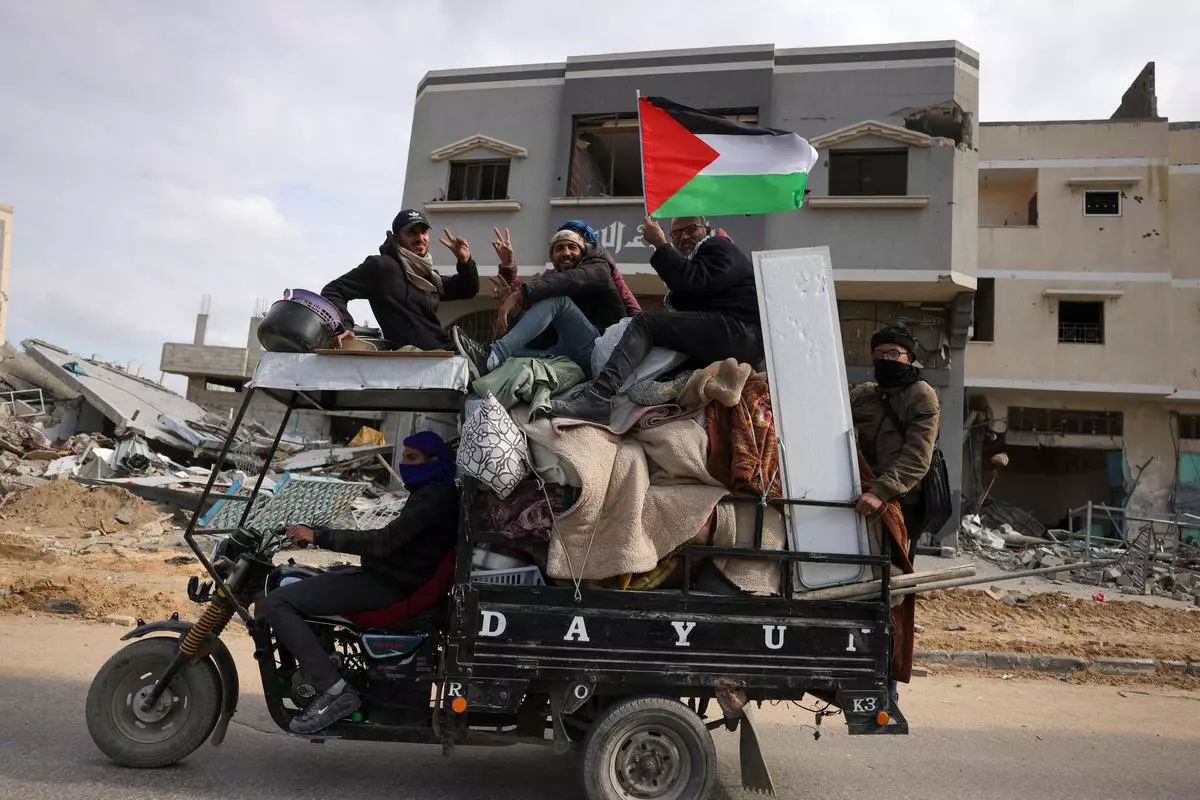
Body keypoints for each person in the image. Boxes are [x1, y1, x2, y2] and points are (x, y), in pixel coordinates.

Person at [258, 431, 459, 735]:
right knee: (310, 579)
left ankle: (334, 691)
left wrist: (318, 536)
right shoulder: (432, 492)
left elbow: (384, 542)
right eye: (404, 456)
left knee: (278, 602)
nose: (404, 464)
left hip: (392, 585)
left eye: (412, 458)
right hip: (391, 576)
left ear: (435, 461)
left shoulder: (434, 497)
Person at [551, 215, 763, 422]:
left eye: (691, 229)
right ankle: (665, 386)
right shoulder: (701, 260)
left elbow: (690, 281)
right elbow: (689, 296)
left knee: (646, 323)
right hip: (732, 333)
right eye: (676, 234)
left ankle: (599, 395)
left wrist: (660, 244)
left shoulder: (717, 246)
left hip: (739, 330)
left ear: (706, 230)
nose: (684, 237)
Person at [450, 225, 636, 378]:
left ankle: (493, 354)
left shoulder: (597, 267)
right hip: (568, 355)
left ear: (584, 251)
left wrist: (519, 295)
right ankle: (478, 364)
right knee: (512, 355)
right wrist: (515, 311)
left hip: (601, 353)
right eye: (559, 248)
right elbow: (538, 335)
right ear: (552, 257)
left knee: (557, 301)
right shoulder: (553, 281)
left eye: (572, 247)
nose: (566, 252)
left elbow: (571, 281)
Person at [321, 209, 478, 351]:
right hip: (415, 360)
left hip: (443, 352)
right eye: (411, 233)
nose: (420, 238)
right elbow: (333, 290)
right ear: (397, 238)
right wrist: (344, 326)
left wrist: (465, 262)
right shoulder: (382, 267)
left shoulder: (428, 276)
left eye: (423, 232)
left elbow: (467, 289)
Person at [849, 326, 941, 561]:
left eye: (892, 354)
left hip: (901, 498)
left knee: (893, 568)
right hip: (865, 493)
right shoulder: (864, 395)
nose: (885, 360)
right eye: (879, 354)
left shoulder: (921, 394)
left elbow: (918, 457)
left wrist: (881, 491)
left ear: (908, 358)